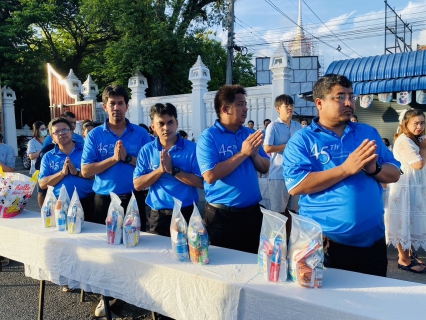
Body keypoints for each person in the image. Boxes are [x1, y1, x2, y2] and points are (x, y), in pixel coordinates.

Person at [283, 74, 401, 277]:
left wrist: (374, 169)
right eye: (339, 97)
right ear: (319, 103)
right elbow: (297, 186)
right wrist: (346, 169)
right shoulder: (302, 140)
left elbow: (395, 173)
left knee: (373, 302)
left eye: (351, 95)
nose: (348, 102)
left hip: (373, 242)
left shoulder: (367, 133)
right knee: (331, 306)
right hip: (326, 244)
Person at [81, 85, 151, 317]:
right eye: (112, 103)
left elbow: (150, 168)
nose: (117, 107)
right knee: (107, 250)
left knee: (136, 246)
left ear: (127, 106)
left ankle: (136, 291)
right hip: (105, 200)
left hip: (135, 199)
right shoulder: (95, 135)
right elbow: (86, 170)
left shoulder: (140, 134)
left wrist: (128, 158)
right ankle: (107, 296)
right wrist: (113, 158)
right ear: (105, 106)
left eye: (121, 103)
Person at [196, 84, 269, 254]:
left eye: (245, 104)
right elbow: (210, 175)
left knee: (254, 263)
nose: (245, 108)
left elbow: (265, 167)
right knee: (225, 266)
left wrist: (253, 154)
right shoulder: (208, 137)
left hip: (252, 214)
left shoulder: (249, 134)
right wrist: (243, 153)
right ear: (225, 108)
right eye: (240, 104)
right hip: (222, 217)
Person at [134, 103, 203, 236]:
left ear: (176, 123)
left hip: (187, 211)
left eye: (170, 122)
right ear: (153, 127)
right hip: (159, 214)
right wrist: (160, 170)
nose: (166, 127)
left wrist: (173, 170)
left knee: (189, 253)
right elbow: (138, 184)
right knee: (159, 254)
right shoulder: (147, 150)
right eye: (161, 123)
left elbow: (200, 183)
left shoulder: (192, 149)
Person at [386, 109, 426, 273]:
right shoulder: (404, 140)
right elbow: (418, 164)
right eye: (415, 123)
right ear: (406, 123)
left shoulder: (414, 139)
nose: (419, 126)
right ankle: (403, 259)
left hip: (413, 186)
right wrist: (423, 148)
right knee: (403, 220)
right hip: (404, 186)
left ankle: (409, 255)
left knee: (409, 219)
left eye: (422, 123)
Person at [39, 118, 94, 219]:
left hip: (88, 202)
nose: (62, 133)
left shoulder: (86, 151)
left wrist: (77, 172)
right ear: (52, 137)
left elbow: (97, 175)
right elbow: (42, 184)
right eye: (57, 132)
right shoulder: (48, 157)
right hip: (60, 205)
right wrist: (62, 174)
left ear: (72, 131)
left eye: (65, 130)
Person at [263, 94, 302, 217]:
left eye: (292, 105)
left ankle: (290, 236)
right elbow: (267, 148)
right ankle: (280, 237)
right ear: (278, 108)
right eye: (287, 106)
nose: (290, 108)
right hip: (279, 175)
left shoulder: (298, 126)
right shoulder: (273, 126)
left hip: (296, 175)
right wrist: (288, 146)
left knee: (294, 213)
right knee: (278, 214)